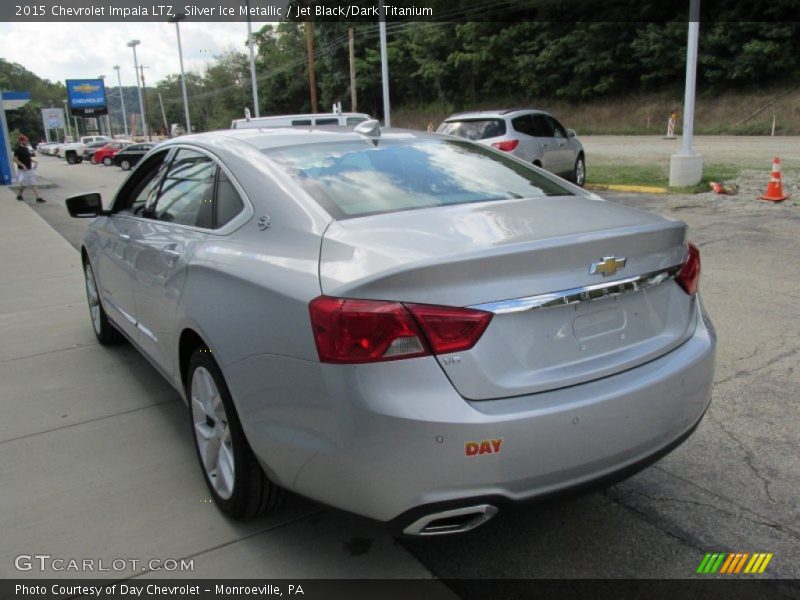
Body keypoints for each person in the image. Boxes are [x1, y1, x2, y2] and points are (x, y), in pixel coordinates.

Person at [13, 135, 45, 203]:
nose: (26, 141)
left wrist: (34, 161)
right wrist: (22, 165)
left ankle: (38, 198)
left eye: (26, 140)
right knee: (24, 184)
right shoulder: (18, 150)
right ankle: (19, 195)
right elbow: (15, 159)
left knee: (33, 182)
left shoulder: (26, 148)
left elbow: (28, 158)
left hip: (30, 168)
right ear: (21, 141)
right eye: (25, 140)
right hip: (23, 170)